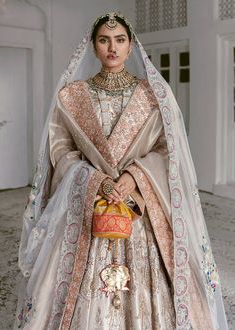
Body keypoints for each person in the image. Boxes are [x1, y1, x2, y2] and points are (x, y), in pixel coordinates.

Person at [14, 12, 228, 330]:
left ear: (131, 47)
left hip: (140, 209)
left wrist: (134, 177)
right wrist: (95, 179)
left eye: (119, 40)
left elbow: (167, 151)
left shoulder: (154, 96)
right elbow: (61, 151)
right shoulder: (72, 97)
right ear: (93, 46)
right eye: (103, 40)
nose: (112, 48)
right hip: (89, 204)